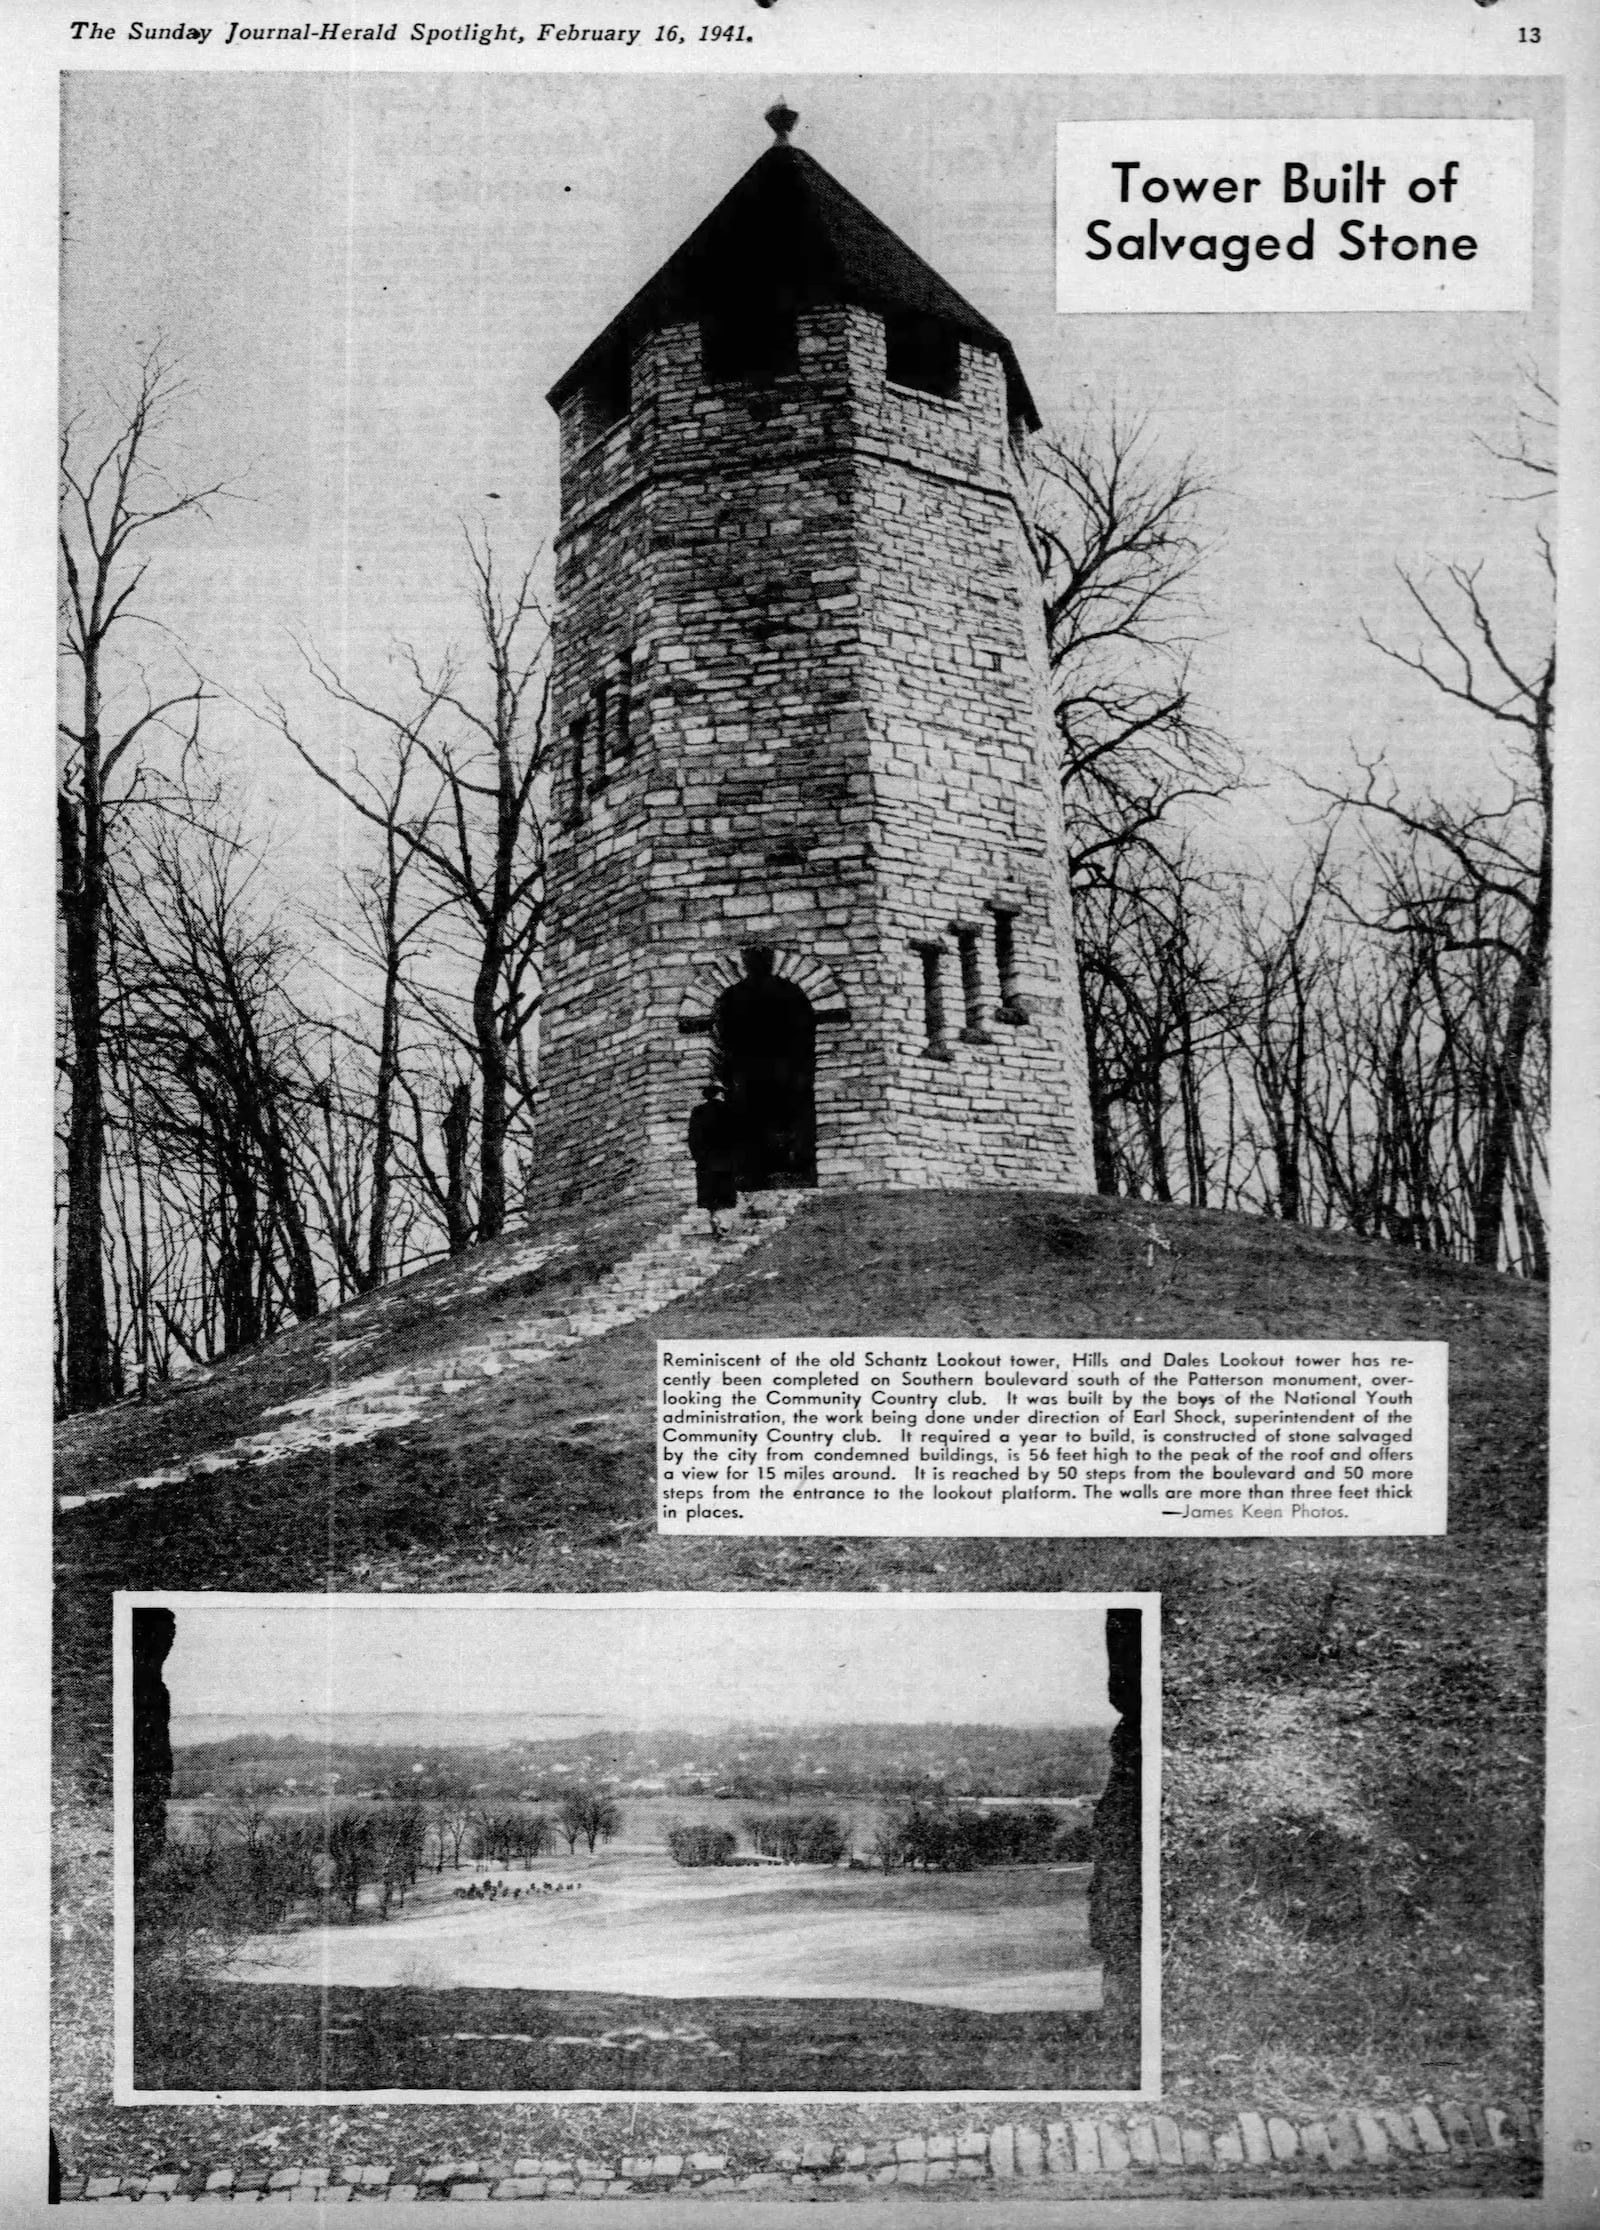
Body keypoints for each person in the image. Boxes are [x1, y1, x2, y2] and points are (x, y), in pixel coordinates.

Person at [688, 1080, 739, 1238]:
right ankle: (723, 1222)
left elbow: (693, 1139)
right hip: (725, 1159)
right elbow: (738, 1137)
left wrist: (699, 1157)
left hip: (706, 1160)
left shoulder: (698, 1111)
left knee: (709, 1193)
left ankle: (714, 1217)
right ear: (721, 1093)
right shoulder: (729, 1110)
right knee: (725, 1192)